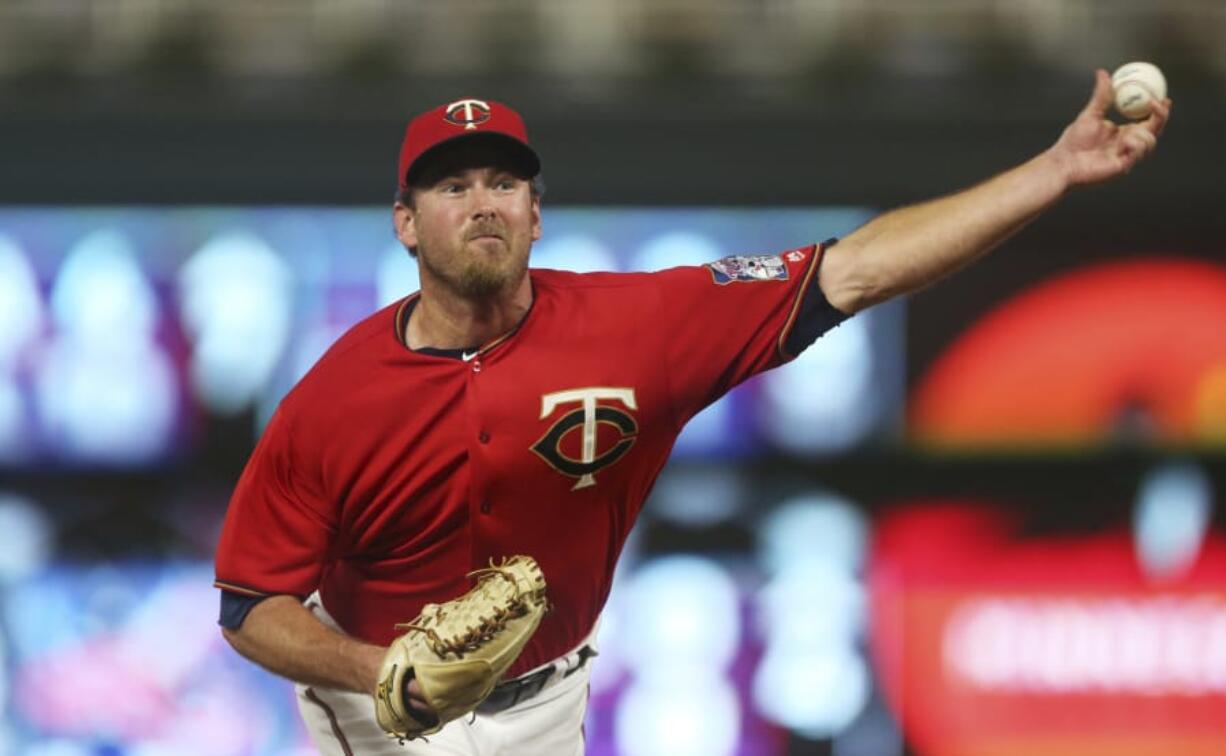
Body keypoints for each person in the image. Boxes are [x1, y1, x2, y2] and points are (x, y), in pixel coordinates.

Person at [214, 75, 1170, 755]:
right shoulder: (334, 399)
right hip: (381, 712)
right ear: (405, 221)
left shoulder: (640, 330)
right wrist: (376, 668)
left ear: (538, 214)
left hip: (549, 701)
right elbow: (251, 603)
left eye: (503, 182)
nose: (482, 205)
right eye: (451, 185)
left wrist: (1051, 171)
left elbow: (857, 268)